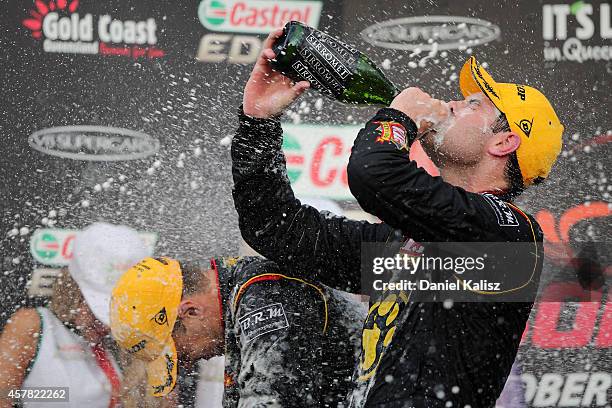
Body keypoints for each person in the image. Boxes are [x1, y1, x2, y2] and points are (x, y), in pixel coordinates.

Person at [232, 28, 563, 407]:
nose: (452, 104)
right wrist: (257, 123)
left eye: (473, 104)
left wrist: (399, 117)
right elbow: (277, 228)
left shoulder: (508, 237)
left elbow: (375, 174)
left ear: (503, 143)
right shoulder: (405, 243)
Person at [110, 256, 367, 407]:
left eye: (179, 352)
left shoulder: (262, 296)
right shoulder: (238, 297)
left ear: (191, 312)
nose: (186, 363)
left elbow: (271, 401)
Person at [0, 222, 152, 408]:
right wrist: (53, 395)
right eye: (97, 312)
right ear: (74, 289)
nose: (106, 326)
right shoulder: (33, 326)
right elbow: (4, 394)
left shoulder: (135, 342)